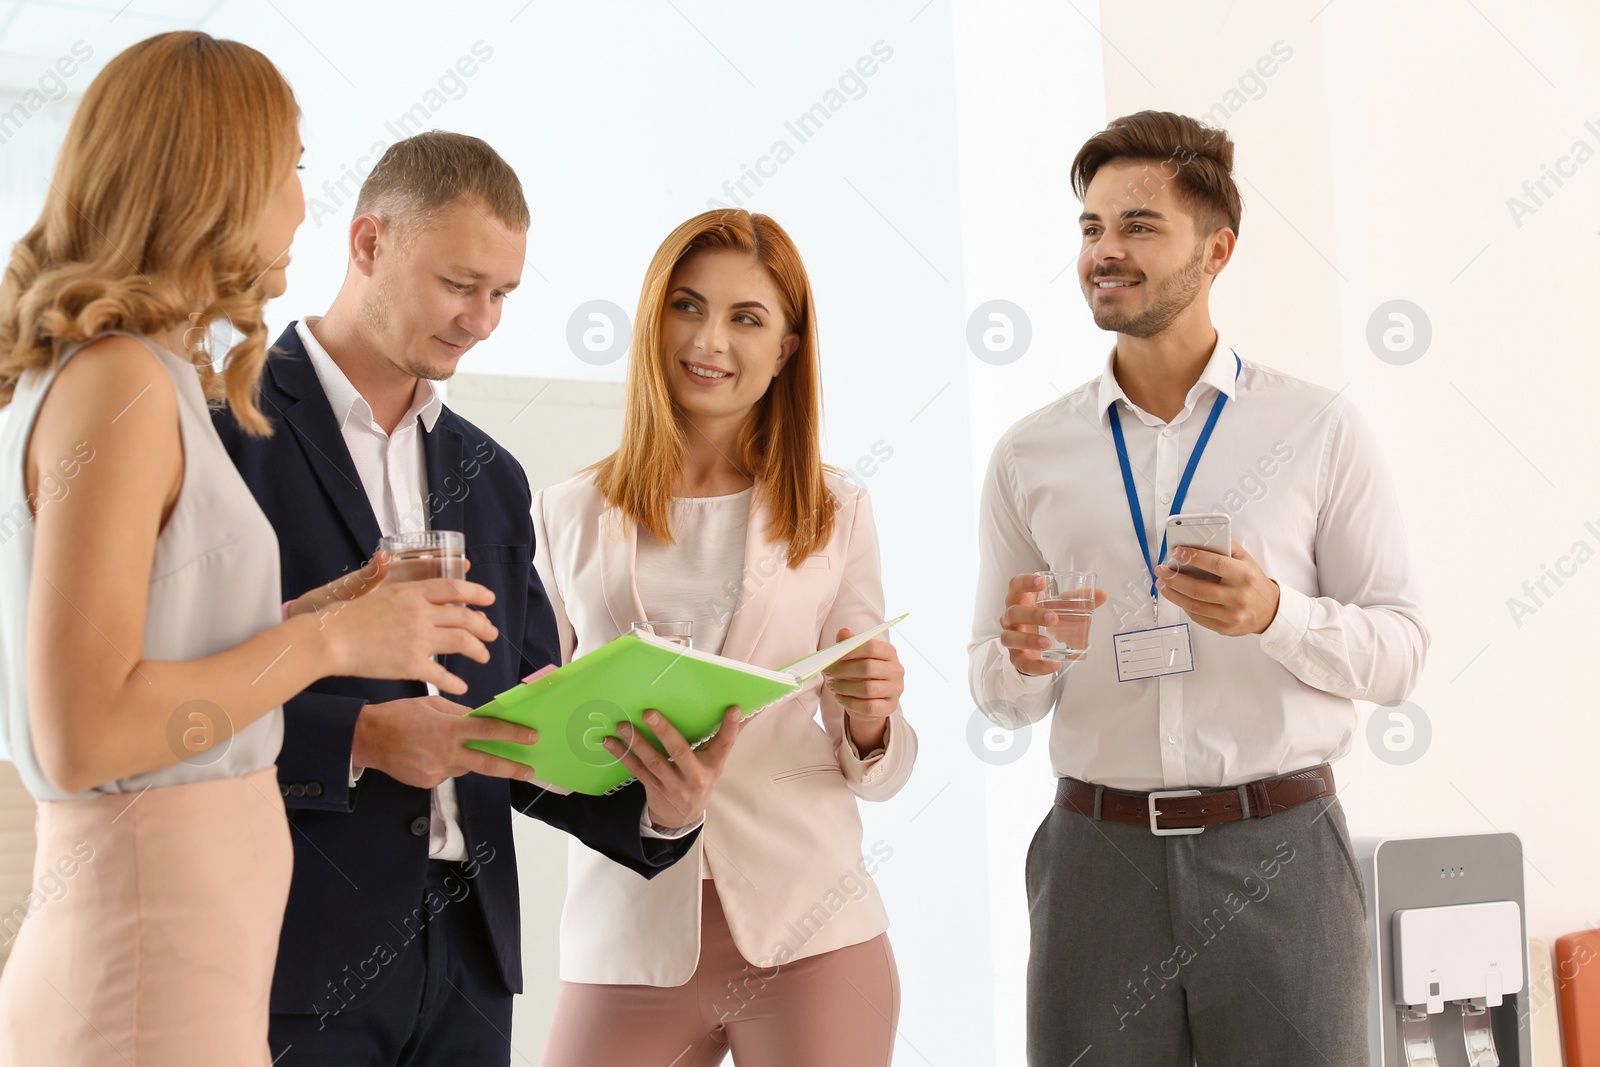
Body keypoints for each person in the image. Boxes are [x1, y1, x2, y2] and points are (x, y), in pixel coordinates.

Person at [0, 33, 501, 1066]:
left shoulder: (151, 376)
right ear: (215, 182)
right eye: (290, 169)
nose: (298, 204)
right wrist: (332, 645)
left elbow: (157, 656)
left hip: (182, 971)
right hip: (144, 975)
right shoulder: (121, 384)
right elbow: (85, 731)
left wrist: (318, 618)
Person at [211, 130, 738, 1067]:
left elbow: (522, 721)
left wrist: (662, 805)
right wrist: (363, 739)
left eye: (503, 294)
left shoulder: (491, 477)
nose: (483, 319)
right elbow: (174, 701)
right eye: (461, 285)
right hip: (290, 951)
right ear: (368, 244)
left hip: (468, 963)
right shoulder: (226, 432)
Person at [968, 111, 1429, 1065]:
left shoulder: (1317, 429)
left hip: (1283, 853)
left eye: (1139, 225)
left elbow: (1401, 651)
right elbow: (996, 688)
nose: (1105, 250)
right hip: (1097, 860)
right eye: (1092, 227)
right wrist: (1024, 660)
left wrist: (1275, 615)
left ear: (1216, 249)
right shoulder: (1029, 454)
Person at [535, 208, 916, 1067]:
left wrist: (871, 721)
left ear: (785, 349)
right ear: (653, 318)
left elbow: (877, 761)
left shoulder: (835, 509)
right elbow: (543, 739)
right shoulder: (568, 511)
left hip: (811, 928)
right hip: (626, 931)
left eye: (747, 318)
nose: (710, 339)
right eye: (688, 305)